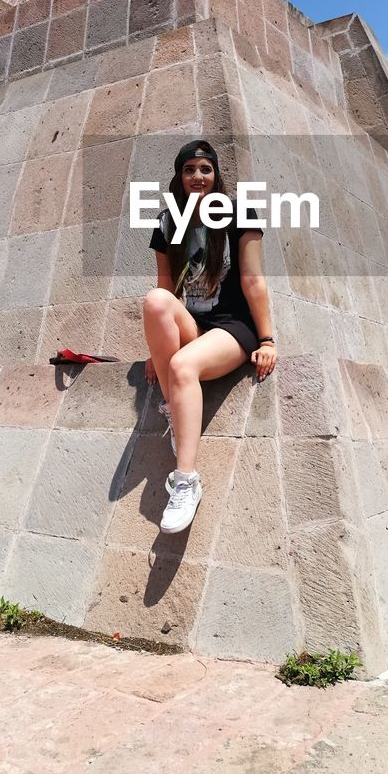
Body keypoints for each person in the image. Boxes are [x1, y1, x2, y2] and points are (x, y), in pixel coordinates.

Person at [144, 140, 277, 535]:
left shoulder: (236, 212)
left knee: (182, 365)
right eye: (189, 170)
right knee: (154, 301)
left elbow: (253, 279)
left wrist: (267, 339)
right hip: (196, 324)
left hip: (234, 327)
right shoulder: (168, 222)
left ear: (215, 174)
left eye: (205, 169)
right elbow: (166, 289)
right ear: (179, 176)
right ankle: (176, 408)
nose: (198, 177)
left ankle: (185, 481)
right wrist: (155, 347)